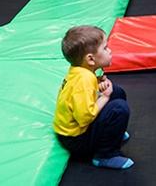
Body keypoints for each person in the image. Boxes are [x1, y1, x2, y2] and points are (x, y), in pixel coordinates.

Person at [54, 25, 133, 170]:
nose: (109, 51)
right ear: (90, 59)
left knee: (117, 92)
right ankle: (104, 155)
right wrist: (104, 96)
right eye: (105, 48)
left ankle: (114, 134)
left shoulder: (81, 72)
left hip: (76, 131)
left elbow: (81, 93)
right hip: (76, 139)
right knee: (119, 108)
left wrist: (98, 83)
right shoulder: (83, 80)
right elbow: (84, 118)